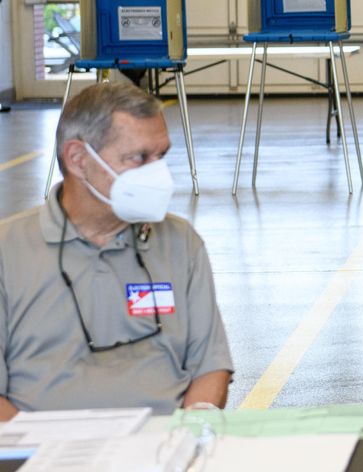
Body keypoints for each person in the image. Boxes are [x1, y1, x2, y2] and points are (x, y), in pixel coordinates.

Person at [0, 82, 233, 418]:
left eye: (161, 156)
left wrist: (190, 434)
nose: (158, 174)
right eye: (139, 158)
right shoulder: (9, 252)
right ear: (79, 159)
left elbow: (211, 367)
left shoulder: (182, 243)